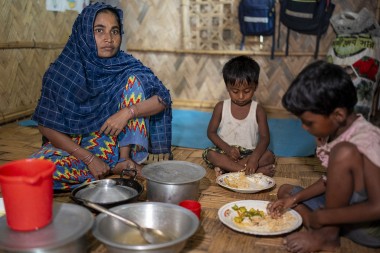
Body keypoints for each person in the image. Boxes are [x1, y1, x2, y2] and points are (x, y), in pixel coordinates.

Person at [30, 2, 172, 190]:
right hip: (72, 147)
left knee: (137, 82)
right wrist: (89, 159)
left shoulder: (126, 65)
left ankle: (123, 160)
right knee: (36, 171)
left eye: (114, 31)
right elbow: (46, 126)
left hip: (113, 143)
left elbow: (162, 99)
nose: (109, 39)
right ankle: (111, 169)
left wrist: (127, 112)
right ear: (84, 33)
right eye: (99, 30)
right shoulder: (60, 72)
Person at [267, 60, 380, 252]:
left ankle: (326, 235)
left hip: (369, 228)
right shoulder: (335, 131)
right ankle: (316, 221)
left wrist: (326, 217)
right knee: (286, 192)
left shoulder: (366, 139)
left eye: (309, 123)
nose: (304, 128)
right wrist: (294, 200)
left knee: (343, 152)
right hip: (341, 215)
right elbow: (330, 181)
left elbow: (377, 207)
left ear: (338, 115)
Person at [202, 55, 276, 177]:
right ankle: (253, 172)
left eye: (247, 91)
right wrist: (227, 149)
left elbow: (264, 138)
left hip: (249, 154)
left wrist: (254, 159)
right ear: (227, 87)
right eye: (235, 91)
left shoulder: (258, 110)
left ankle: (228, 170)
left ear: (255, 86)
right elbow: (211, 132)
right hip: (225, 152)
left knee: (269, 156)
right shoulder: (221, 107)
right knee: (210, 154)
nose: (241, 96)